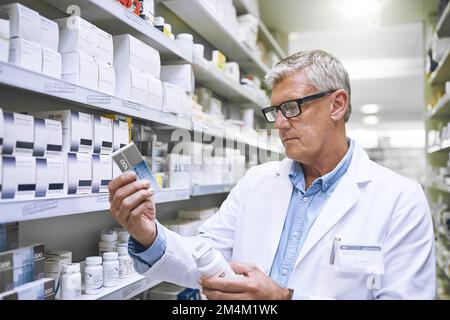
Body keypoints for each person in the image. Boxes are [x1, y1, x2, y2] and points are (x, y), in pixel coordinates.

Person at [108, 50, 436, 300]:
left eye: (292, 107)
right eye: (274, 111)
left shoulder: (400, 199)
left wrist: (283, 299)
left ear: (337, 105)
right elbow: (205, 257)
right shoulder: (257, 182)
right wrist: (147, 232)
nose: (279, 124)